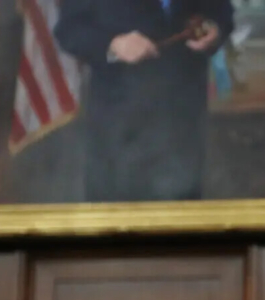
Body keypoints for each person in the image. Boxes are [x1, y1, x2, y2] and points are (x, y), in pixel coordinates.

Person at [54, 0, 234, 202]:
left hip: (184, 116)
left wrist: (215, 29)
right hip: (120, 125)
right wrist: (113, 44)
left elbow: (222, 12)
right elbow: (69, 30)